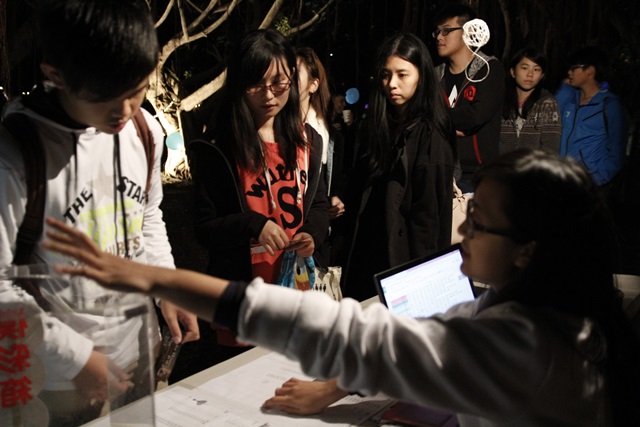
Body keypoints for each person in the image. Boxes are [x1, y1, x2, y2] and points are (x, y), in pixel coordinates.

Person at [45, 148, 640, 425]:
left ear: (529, 250)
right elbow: (428, 333)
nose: (461, 231)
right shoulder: (559, 311)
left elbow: (361, 337)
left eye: (478, 222)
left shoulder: (530, 348)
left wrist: (154, 278)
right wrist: (341, 384)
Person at [0, 0, 198, 424]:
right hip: (57, 375)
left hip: (137, 347)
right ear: (55, 75)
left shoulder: (144, 130)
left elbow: (147, 215)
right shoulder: (17, 154)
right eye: (107, 95)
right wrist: (76, 358)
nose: (124, 110)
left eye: (137, 90)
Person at [187, 29, 328, 358]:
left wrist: (312, 233)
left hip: (295, 293)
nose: (268, 95)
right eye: (256, 84)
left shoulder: (309, 140)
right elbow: (204, 229)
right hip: (244, 301)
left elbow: (318, 204)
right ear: (239, 83)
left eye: (279, 82)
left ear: (292, 79)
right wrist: (253, 224)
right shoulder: (218, 148)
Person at [341, 32, 456, 302]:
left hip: (403, 262)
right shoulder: (378, 124)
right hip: (366, 253)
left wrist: (423, 282)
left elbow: (429, 219)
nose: (392, 83)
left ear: (421, 76)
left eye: (402, 75)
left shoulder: (431, 135)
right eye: (385, 75)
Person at [433, 3, 505, 193]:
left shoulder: (489, 69)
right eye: (437, 31)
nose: (439, 37)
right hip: (439, 169)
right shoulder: (434, 75)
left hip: (477, 176)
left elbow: (475, 116)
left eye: (446, 30)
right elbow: (420, 114)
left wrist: (438, 119)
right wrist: (449, 123)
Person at [295, 47, 345, 268]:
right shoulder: (271, 129)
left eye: (295, 73)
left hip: (317, 240)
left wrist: (336, 200)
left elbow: (330, 187)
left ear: (314, 84)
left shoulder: (328, 137)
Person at [555, 46, 629, 186]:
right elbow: (550, 122)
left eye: (574, 68)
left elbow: (617, 152)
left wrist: (595, 180)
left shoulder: (609, 105)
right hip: (562, 180)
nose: (569, 72)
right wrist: (564, 90)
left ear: (590, 70)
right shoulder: (570, 99)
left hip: (588, 185)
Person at [500, 47, 561, 154]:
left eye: (536, 70)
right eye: (524, 68)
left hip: (533, 164)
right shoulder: (500, 101)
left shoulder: (547, 104)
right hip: (503, 163)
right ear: (513, 72)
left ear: (541, 76)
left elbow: (551, 148)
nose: (530, 74)